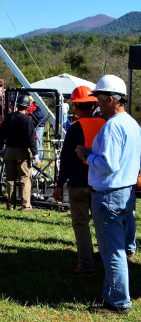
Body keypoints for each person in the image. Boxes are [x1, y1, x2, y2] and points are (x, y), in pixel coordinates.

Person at [75, 75, 141, 315]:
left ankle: (118, 302)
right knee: (118, 248)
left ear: (111, 99)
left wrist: (85, 156)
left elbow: (109, 163)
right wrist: (93, 151)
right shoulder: (131, 124)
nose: (96, 104)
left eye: (99, 99)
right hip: (125, 191)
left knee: (111, 252)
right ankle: (111, 295)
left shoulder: (112, 126)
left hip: (109, 194)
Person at [52, 86, 104, 277]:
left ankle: (86, 265)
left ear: (75, 107)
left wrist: (59, 184)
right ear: (93, 104)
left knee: (81, 225)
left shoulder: (74, 129)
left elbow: (65, 159)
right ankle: (109, 261)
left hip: (79, 184)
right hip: (101, 184)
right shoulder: (105, 124)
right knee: (103, 225)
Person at [0, 94, 37, 211]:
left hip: (9, 150)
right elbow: (31, 138)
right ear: (27, 107)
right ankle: (25, 205)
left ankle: (11, 205)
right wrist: (35, 153)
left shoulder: (9, 117)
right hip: (22, 151)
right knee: (24, 178)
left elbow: (1, 134)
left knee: (10, 179)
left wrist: (1, 148)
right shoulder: (27, 120)